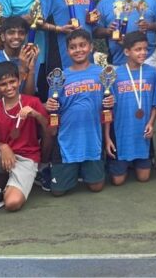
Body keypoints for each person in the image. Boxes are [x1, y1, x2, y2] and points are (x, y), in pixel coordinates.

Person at [0, 61, 50, 216]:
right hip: (4, 155)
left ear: (19, 81)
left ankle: (9, 181)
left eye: (12, 81)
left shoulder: (32, 102)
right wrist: (3, 147)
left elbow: (50, 131)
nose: (9, 87)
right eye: (3, 84)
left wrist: (36, 115)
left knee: (12, 203)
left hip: (26, 158)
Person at [44, 29, 113, 196]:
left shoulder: (101, 73)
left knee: (96, 187)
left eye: (82, 45)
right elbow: (53, 108)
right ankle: (62, 170)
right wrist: (50, 106)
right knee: (58, 192)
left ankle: (84, 170)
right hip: (67, 139)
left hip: (93, 139)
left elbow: (108, 108)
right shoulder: (60, 77)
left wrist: (107, 137)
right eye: (73, 47)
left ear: (91, 47)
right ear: (67, 51)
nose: (78, 50)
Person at [106, 31, 156, 186]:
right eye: (138, 49)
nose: (143, 52)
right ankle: (121, 162)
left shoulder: (152, 73)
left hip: (143, 133)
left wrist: (151, 123)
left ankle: (138, 159)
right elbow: (108, 109)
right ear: (127, 51)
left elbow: (155, 103)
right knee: (118, 181)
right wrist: (107, 137)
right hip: (121, 133)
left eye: (145, 49)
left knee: (144, 178)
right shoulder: (115, 75)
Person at [0, 0, 49, 96]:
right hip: (19, 57)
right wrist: (23, 21)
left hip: (44, 55)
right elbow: (2, 24)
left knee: (43, 98)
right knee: (21, 96)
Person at [0, 16, 39, 98]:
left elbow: (30, 95)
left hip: (26, 104)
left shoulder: (30, 57)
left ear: (26, 36)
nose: (16, 36)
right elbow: (0, 97)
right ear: (3, 37)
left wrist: (31, 69)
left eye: (21, 33)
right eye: (11, 33)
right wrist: (22, 69)